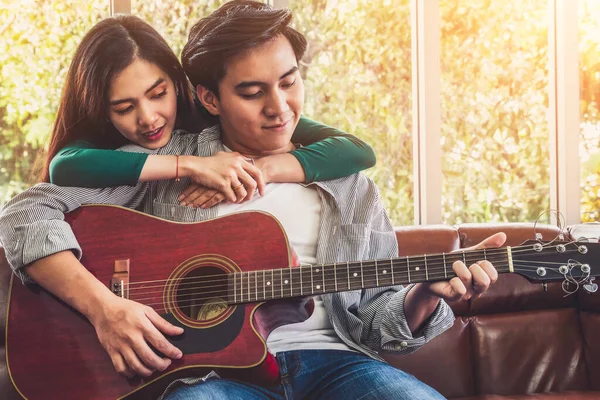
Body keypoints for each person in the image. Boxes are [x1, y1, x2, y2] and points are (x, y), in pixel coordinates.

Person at [0, 2, 505, 399]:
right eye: (252, 92)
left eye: (289, 82)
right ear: (209, 99)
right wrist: (106, 309)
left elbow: (376, 324)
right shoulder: (165, 160)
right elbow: (24, 214)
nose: (279, 108)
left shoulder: (349, 184)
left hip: (338, 365)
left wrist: (426, 294)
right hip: (209, 378)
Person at [39, 13, 376, 208]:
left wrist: (259, 169)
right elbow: (64, 166)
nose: (148, 117)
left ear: (179, 84)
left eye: (158, 94)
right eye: (125, 108)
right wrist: (192, 165)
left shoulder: (216, 114)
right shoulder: (100, 143)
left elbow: (357, 150)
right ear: (100, 110)